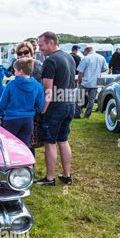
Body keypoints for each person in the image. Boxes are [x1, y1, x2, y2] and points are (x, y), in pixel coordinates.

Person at [36, 31, 76, 186]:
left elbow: (48, 90)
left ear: (51, 42)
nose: (40, 49)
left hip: (55, 106)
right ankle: (67, 176)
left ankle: (50, 178)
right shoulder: (69, 57)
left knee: (50, 142)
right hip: (69, 104)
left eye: (41, 45)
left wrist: (43, 110)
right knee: (63, 140)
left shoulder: (50, 61)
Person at [0, 58, 44, 147]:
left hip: (11, 119)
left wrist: (4, 109)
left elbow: (2, 104)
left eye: (15, 71)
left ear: (20, 71)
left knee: (9, 146)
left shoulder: (11, 84)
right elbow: (40, 106)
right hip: (28, 120)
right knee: (23, 147)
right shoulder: (38, 86)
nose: (14, 73)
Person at [75, 45, 108, 119]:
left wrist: (79, 81)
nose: (84, 53)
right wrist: (98, 70)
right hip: (95, 82)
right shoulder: (101, 57)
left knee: (78, 98)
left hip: (85, 82)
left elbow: (80, 72)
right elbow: (105, 68)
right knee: (91, 100)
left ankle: (77, 114)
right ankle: (87, 115)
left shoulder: (86, 58)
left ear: (87, 50)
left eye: (84, 52)